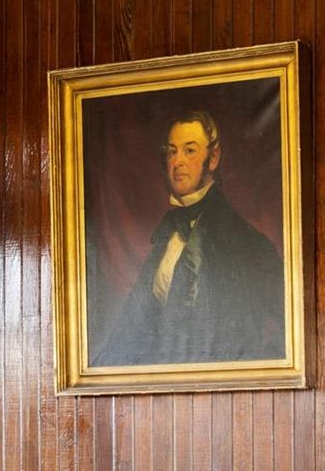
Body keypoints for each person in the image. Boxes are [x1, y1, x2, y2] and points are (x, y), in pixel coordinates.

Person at [93, 108, 285, 367]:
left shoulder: (249, 244)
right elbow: (130, 329)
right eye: (172, 151)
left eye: (190, 150)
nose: (177, 162)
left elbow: (290, 335)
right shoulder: (165, 240)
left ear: (213, 157)